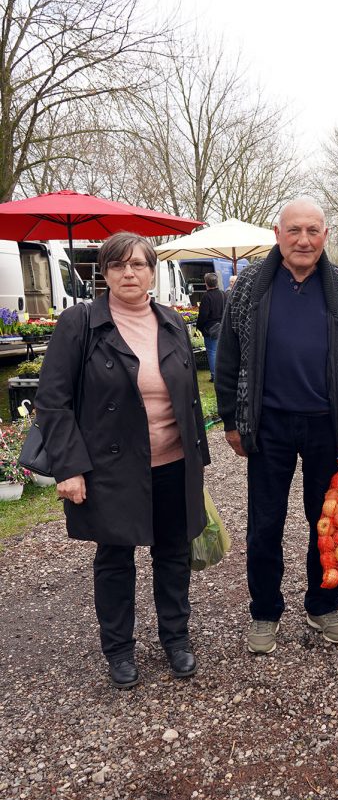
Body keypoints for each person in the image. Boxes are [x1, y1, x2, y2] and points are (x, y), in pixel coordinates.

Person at [34, 233, 210, 689]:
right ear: (104, 273)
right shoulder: (81, 323)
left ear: (152, 271)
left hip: (173, 462)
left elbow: (189, 396)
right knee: (115, 558)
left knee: (173, 554)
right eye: (118, 265)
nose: (129, 273)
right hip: (111, 468)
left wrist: (198, 462)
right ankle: (119, 649)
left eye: (138, 264)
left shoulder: (171, 321)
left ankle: (176, 638)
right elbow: (52, 401)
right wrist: (69, 467)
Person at [215, 198, 338, 655]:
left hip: (328, 425)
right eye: (294, 230)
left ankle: (323, 606)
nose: (303, 240)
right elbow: (228, 356)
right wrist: (232, 419)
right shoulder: (250, 286)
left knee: (327, 522)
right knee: (265, 523)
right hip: (268, 424)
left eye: (312, 231)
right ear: (278, 234)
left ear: (325, 235)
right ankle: (265, 612)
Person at [196, 272, 226, 380]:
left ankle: (215, 376)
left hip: (211, 329)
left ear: (206, 283)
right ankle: (222, 374)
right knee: (221, 352)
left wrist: (200, 327)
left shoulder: (206, 296)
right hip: (223, 327)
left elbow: (203, 315)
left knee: (212, 352)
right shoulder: (223, 294)